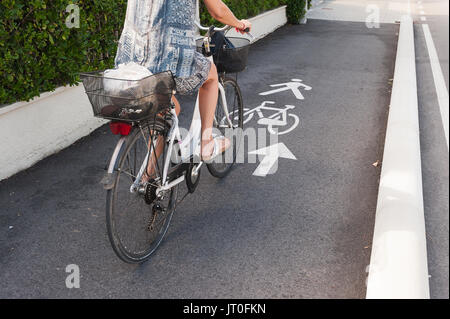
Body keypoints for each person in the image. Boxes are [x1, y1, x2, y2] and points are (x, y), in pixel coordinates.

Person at [114, 0, 251, 180]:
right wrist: (240, 24)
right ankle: (207, 142)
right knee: (211, 75)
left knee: (167, 109)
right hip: (167, 56)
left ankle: (149, 172)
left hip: (131, 58)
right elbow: (218, 12)